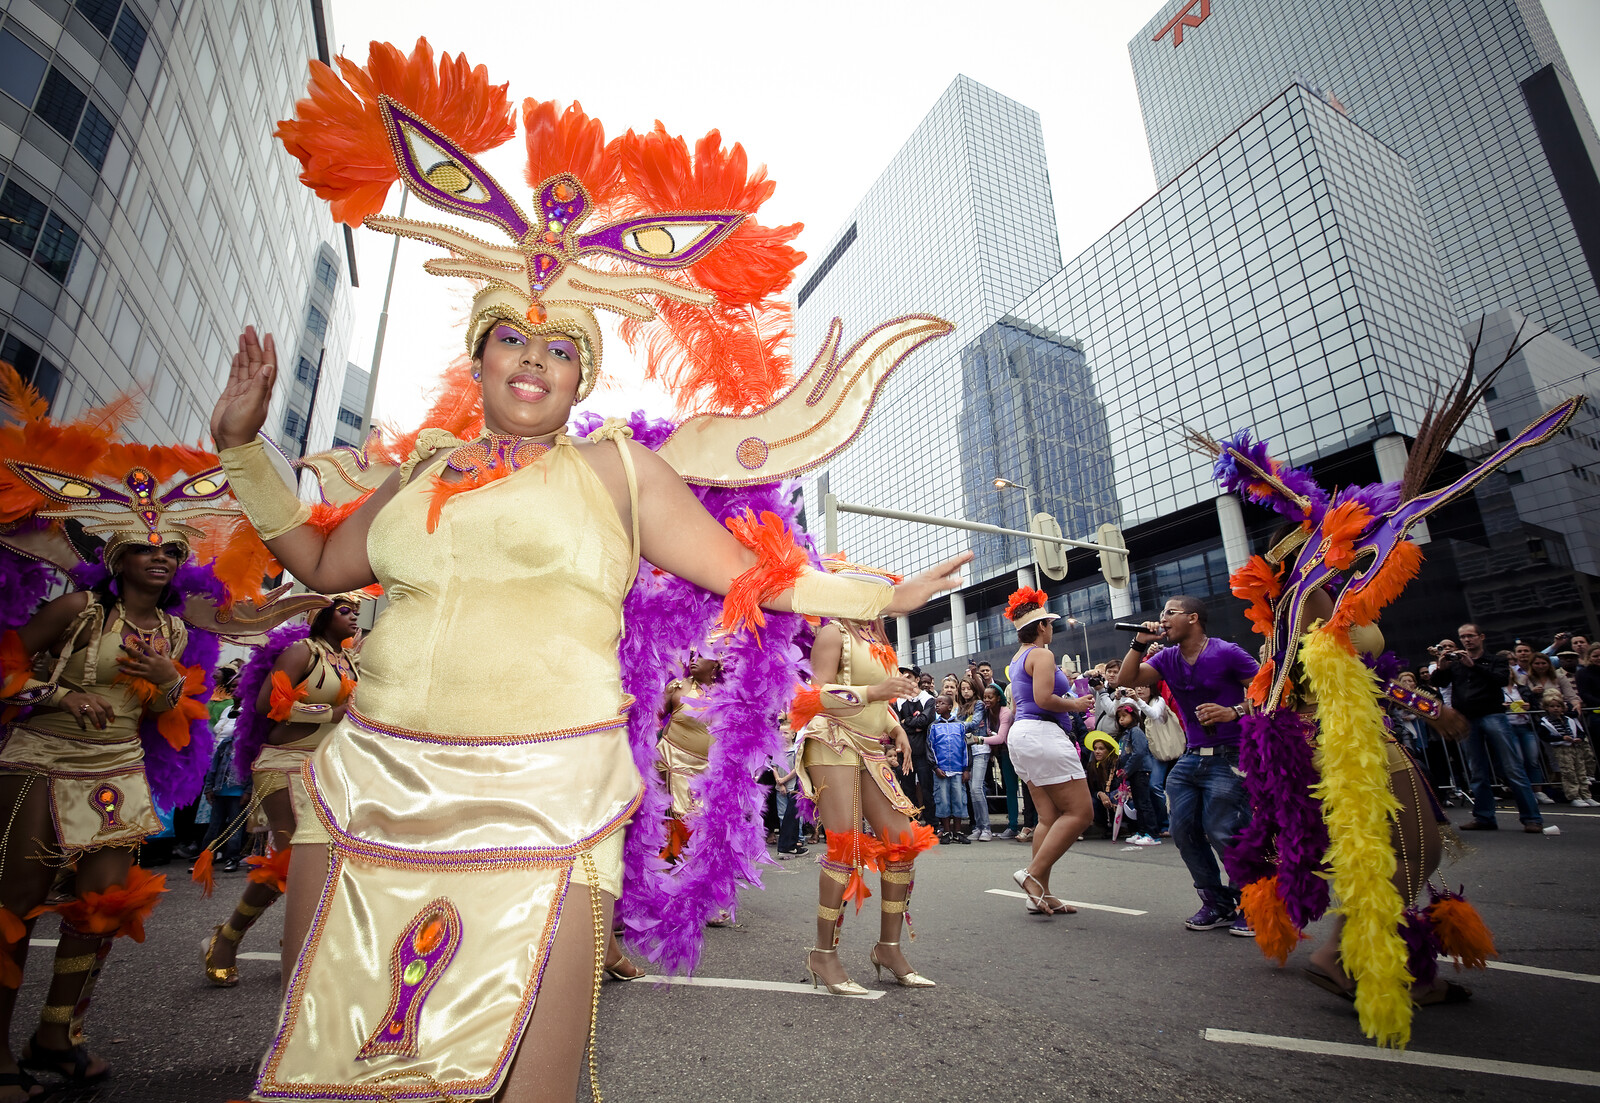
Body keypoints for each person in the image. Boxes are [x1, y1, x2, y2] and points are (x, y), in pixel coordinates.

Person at [222, 46, 967, 1100]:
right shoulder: (422, 468)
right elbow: (317, 557)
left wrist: (873, 595)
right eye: (513, 338)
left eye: (561, 346)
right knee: (330, 1069)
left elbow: (749, 569)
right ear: (478, 357)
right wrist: (245, 452)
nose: (534, 356)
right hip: (369, 782)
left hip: (546, 792)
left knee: (536, 1078)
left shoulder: (619, 470)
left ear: (581, 372)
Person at [199, 595, 364, 988]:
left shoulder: (348, 660)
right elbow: (266, 705)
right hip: (286, 763)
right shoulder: (300, 651)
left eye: (356, 610)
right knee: (292, 859)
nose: (354, 616)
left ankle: (298, 938)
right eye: (345, 610)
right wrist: (331, 713)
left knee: (330, 859)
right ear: (320, 616)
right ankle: (227, 937)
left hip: (330, 767)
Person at [790, 560, 939, 994]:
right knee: (844, 846)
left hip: (871, 746)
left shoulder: (877, 638)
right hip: (831, 741)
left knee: (902, 842)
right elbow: (810, 696)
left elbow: (884, 696)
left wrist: (894, 727)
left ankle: (888, 947)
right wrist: (873, 693)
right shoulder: (833, 631)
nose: (881, 605)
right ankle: (824, 954)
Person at [1115, 596, 1258, 934]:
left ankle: (1252, 903)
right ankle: (1215, 902)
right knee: (1183, 831)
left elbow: (1270, 691)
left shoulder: (1226, 652)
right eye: (1161, 613)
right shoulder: (1167, 657)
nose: (1162, 618)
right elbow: (1126, 678)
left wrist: (1233, 712)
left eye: (1170, 613)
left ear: (1193, 618)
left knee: (1223, 830)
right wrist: (1139, 642)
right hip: (1191, 755)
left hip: (1231, 755)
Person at [999, 589, 1093, 915]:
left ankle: (1039, 892)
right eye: (1050, 623)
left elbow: (1022, 701)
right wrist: (1076, 704)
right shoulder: (1042, 655)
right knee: (1081, 812)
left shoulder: (1018, 658)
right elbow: (1042, 699)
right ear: (1041, 627)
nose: (1052, 627)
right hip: (1041, 734)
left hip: (1023, 737)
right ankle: (1032, 875)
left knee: (1049, 817)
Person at [1429, 624, 1546, 832]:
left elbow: (1501, 679)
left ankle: (1531, 818)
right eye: (1463, 637)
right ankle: (1484, 817)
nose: (1467, 640)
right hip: (1467, 717)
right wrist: (1442, 665)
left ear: (1481, 637)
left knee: (1512, 767)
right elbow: (1440, 682)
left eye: (1471, 636)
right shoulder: (1456, 663)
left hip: (1492, 715)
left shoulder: (1495, 660)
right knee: (1477, 770)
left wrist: (1473, 665)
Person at [1133, 682, 1184, 836]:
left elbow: (1153, 714)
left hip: (1158, 751)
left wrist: (1137, 700)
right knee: (1143, 789)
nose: (1140, 688)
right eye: (1138, 687)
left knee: (1155, 785)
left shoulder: (1158, 701)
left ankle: (1166, 824)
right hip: (1141, 752)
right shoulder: (1133, 702)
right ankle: (1152, 824)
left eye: (1144, 686)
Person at [1114, 703, 1162, 846]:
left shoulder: (1136, 731)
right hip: (1134, 771)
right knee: (1139, 804)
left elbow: (1139, 753)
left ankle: (1153, 833)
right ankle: (1142, 832)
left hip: (1140, 770)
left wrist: (1127, 769)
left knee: (1144, 802)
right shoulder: (1126, 733)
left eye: (1124, 716)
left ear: (1133, 716)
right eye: (1119, 717)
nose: (1121, 720)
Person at [1538, 691, 1593, 805]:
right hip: (1561, 749)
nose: (1556, 709)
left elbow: (1580, 733)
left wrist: (1579, 738)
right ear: (1546, 708)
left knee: (1581, 771)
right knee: (1569, 773)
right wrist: (1561, 738)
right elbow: (1545, 736)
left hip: (1575, 747)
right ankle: (1574, 796)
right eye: (1552, 706)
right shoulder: (1545, 722)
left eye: (1558, 706)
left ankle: (1586, 795)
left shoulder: (1569, 719)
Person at [927, 696, 969, 843]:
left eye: (941, 703)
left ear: (950, 707)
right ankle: (946, 831)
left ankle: (958, 831)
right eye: (936, 703)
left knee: (958, 799)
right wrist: (935, 767)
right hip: (941, 770)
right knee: (943, 800)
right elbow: (930, 748)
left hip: (958, 769)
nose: (937, 706)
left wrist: (966, 769)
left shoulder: (960, 726)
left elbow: (965, 748)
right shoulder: (933, 726)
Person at [898, 671, 937, 825]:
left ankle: (932, 824)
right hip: (905, 753)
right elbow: (896, 725)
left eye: (909, 677)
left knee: (927, 789)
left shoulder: (928, 699)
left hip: (923, 752)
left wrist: (906, 722)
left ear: (917, 679)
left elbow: (925, 720)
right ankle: (912, 822)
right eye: (902, 676)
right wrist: (914, 724)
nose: (905, 679)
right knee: (907, 789)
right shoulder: (899, 701)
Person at [957, 678, 992, 840]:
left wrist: (953, 725)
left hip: (980, 747)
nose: (965, 692)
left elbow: (976, 722)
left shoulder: (978, 704)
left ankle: (986, 828)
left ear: (974, 690)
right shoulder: (961, 707)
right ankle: (978, 827)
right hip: (967, 750)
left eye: (968, 688)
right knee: (972, 790)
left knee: (977, 788)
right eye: (963, 689)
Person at [1083, 733, 1120, 838]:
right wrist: (1100, 794)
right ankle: (1102, 826)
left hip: (1116, 797)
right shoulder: (1091, 767)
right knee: (1092, 801)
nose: (1097, 752)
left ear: (1108, 750)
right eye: (1095, 749)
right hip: (1101, 799)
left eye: (1101, 749)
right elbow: (1091, 789)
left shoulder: (1117, 764)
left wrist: (1110, 795)